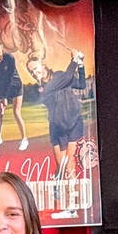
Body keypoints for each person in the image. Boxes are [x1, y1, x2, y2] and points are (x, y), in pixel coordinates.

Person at [27, 48, 86, 179]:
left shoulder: (60, 76)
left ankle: (72, 198)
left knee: (70, 164)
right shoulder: (41, 88)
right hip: (58, 128)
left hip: (73, 122)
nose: (34, 73)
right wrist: (74, 59)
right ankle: (57, 192)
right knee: (61, 167)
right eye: (31, 72)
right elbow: (67, 78)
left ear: (43, 65)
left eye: (35, 68)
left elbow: (81, 84)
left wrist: (80, 64)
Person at [0, 38, 28, 152]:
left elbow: (10, 78)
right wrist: (0, 98)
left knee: (16, 112)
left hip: (15, 86)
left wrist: (5, 97)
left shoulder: (9, 58)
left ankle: (24, 139)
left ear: (1, 47)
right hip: (3, 89)